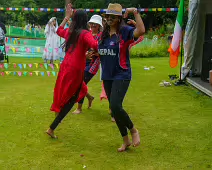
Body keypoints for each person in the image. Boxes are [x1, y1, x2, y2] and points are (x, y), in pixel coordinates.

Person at [46, 4, 98, 138]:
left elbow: (59, 30)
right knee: (72, 97)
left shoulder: (71, 31)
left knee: (63, 90)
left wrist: (66, 17)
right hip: (75, 69)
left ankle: (58, 114)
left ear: (74, 20)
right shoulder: (85, 33)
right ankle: (52, 127)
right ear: (85, 20)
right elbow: (95, 45)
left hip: (65, 66)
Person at [98, 3, 145, 152]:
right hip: (107, 75)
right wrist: (90, 55)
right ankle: (125, 141)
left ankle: (133, 131)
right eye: (107, 16)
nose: (109, 19)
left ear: (118, 18)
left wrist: (135, 12)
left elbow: (141, 30)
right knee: (113, 108)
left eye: (112, 16)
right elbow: (99, 51)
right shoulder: (103, 35)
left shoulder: (125, 31)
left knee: (116, 105)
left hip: (122, 73)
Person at [73, 15, 102, 114]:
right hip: (83, 61)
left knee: (80, 83)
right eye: (91, 23)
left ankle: (79, 108)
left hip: (93, 64)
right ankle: (89, 97)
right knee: (80, 83)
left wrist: (98, 53)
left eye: (95, 24)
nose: (93, 25)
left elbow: (104, 50)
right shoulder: (87, 34)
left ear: (99, 25)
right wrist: (84, 53)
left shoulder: (102, 36)